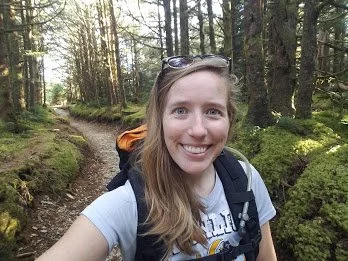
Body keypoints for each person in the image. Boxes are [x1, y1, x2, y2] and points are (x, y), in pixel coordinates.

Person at [37, 55, 277, 261]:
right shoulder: (130, 203)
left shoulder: (246, 179)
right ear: (158, 120)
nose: (198, 130)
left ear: (229, 120)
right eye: (180, 110)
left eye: (213, 111)